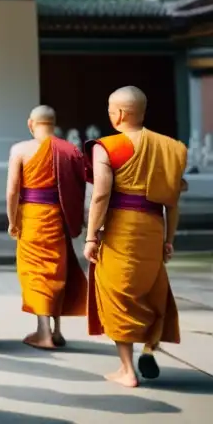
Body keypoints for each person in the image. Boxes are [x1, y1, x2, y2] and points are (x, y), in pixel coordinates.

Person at [84, 86, 187, 387]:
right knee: (152, 290)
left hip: (121, 229)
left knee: (119, 294)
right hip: (153, 227)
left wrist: (91, 236)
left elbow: (101, 195)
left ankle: (127, 370)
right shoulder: (170, 147)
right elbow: (172, 202)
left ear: (118, 114)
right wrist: (170, 239)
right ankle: (149, 347)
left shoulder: (107, 146)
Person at [7, 105, 88, 350]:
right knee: (56, 272)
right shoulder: (70, 150)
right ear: (54, 123)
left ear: (31, 123)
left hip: (31, 217)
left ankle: (43, 332)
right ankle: (57, 330)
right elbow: (78, 190)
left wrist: (12, 221)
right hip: (57, 217)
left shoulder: (20, 149)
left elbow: (12, 190)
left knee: (35, 273)